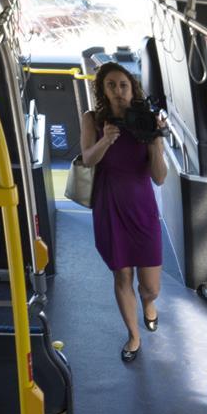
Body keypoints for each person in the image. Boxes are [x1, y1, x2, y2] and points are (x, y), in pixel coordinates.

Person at [79, 62, 167, 362]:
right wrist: (107, 139)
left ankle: (149, 304)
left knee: (150, 286)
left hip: (142, 209)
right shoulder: (93, 119)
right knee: (122, 276)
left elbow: (160, 177)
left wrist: (155, 142)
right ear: (103, 90)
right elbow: (88, 160)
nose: (118, 91)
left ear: (132, 89)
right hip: (110, 207)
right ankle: (133, 335)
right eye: (111, 85)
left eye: (123, 85)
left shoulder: (148, 120)